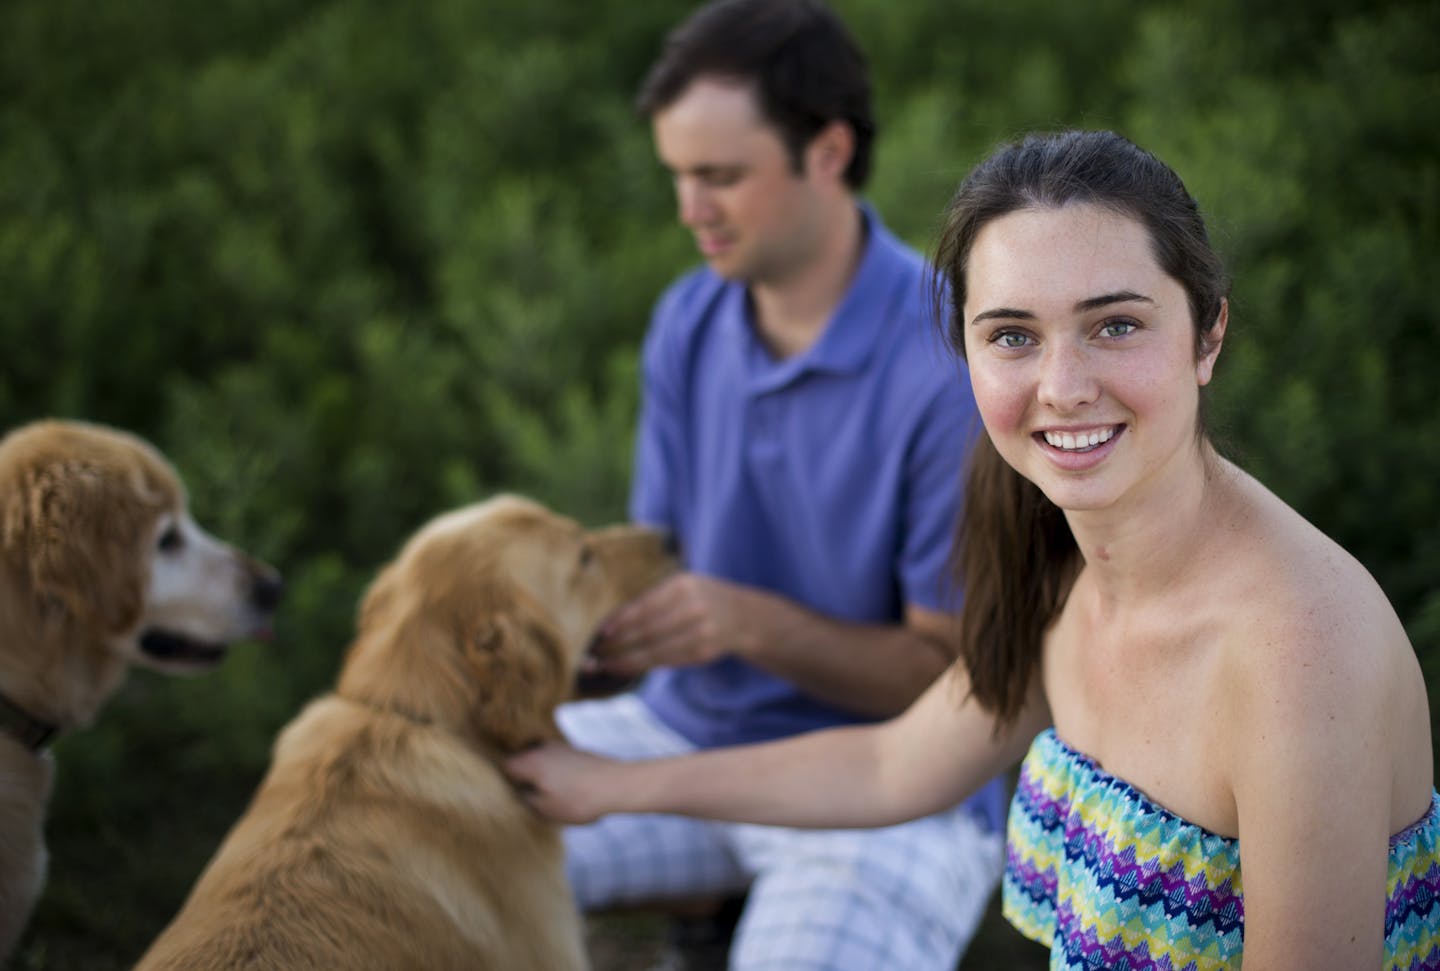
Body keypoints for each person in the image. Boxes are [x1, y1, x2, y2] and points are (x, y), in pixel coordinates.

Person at [510, 129, 1440, 971]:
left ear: (1208, 334)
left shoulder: (1298, 656)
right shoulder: (1060, 567)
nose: (1064, 386)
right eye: (1012, 337)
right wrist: (617, 784)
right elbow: (888, 768)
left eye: (1115, 324)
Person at [549, 0, 1010, 968]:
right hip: (675, 735)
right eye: (678, 175)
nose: (690, 208)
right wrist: (578, 641)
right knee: (395, 831)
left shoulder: (948, 365)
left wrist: (747, 622)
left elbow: (954, 681)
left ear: (829, 151)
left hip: (888, 796)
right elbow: (657, 566)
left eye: (719, 175)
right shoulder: (687, 319)